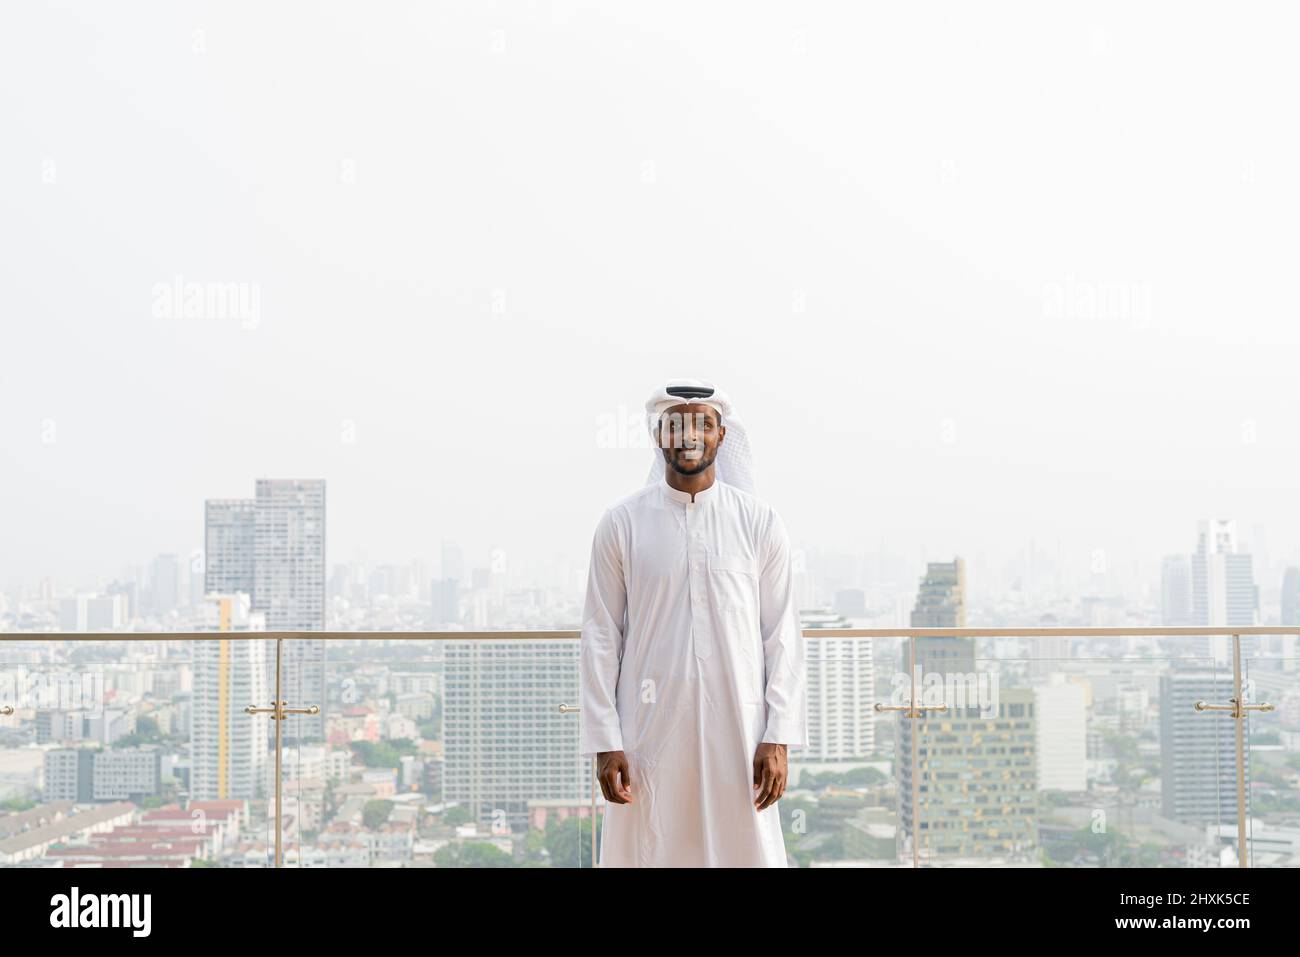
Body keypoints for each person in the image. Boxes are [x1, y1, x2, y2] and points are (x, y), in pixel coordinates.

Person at [579, 377, 807, 866]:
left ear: (721, 436)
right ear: (659, 436)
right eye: (676, 425)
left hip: (741, 728)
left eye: (702, 424)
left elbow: (782, 634)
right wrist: (605, 741)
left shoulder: (760, 522)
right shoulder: (621, 524)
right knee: (650, 845)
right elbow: (601, 635)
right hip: (648, 730)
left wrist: (778, 734)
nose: (689, 435)